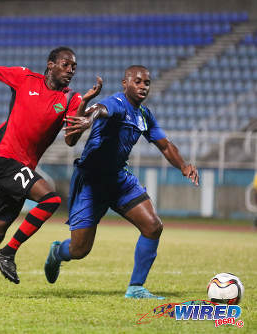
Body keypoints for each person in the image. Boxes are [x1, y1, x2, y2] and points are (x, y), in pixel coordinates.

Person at [0, 46, 103, 294]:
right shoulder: (25, 78)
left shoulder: (71, 99)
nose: (70, 70)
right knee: (51, 199)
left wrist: (86, 107)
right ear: (50, 64)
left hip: (22, 167)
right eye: (65, 65)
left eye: (74, 67)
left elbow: (69, 141)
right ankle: (8, 253)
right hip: (6, 161)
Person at [44, 65, 199, 299]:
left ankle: (136, 288)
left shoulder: (144, 115)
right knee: (79, 250)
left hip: (119, 179)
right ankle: (58, 252)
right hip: (91, 182)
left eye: (146, 83)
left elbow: (165, 146)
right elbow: (100, 109)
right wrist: (88, 119)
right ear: (124, 83)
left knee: (153, 226)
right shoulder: (116, 102)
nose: (143, 87)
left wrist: (184, 166)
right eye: (137, 81)